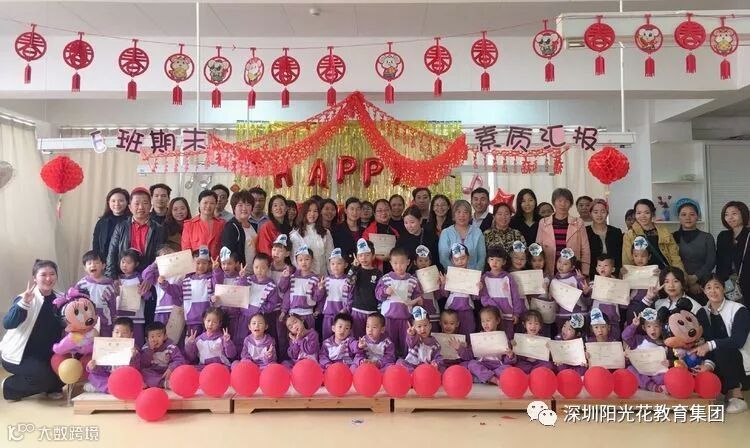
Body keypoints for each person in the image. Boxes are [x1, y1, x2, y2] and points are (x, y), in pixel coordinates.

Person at [1, 260, 64, 401]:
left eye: (52, 274)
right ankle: (10, 386)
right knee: (43, 376)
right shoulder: (25, 298)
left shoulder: (61, 299)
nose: (48, 278)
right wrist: (24, 304)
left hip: (46, 355)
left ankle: (50, 386)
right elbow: (8, 323)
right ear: (35, 278)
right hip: (20, 355)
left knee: (64, 370)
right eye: (43, 275)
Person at [693, 275, 750, 414]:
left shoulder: (739, 309)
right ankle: (719, 393)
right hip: (716, 361)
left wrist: (710, 345)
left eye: (717, 287)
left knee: (723, 349)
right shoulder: (702, 312)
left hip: (740, 364)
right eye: (708, 287)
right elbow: (705, 341)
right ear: (704, 291)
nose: (713, 291)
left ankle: (737, 396)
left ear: (724, 289)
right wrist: (708, 364)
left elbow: (738, 341)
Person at [106, 187, 166, 279]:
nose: (141, 207)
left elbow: (160, 256)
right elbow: (112, 253)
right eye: (136, 203)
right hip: (123, 276)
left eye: (145, 203)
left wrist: (151, 277)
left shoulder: (159, 229)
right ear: (130, 207)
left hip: (148, 276)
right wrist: (112, 277)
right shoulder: (121, 227)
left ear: (151, 206)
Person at [375, 247, 423, 356]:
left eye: (402, 263)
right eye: (395, 263)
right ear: (391, 263)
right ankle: (389, 359)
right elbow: (377, 295)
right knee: (389, 340)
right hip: (388, 317)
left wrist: (419, 301)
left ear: (408, 262)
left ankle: (405, 360)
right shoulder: (386, 278)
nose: (399, 266)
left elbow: (417, 295)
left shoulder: (413, 280)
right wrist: (385, 291)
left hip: (405, 317)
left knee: (406, 341)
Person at [535, 188, 590, 277]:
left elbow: (585, 249)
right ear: (554, 202)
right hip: (548, 271)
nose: (563, 204)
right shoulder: (543, 222)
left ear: (570, 204)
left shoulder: (578, 223)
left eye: (566, 201)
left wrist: (585, 272)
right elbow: (538, 249)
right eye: (559, 201)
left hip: (572, 272)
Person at [622, 199, 684, 271]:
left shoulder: (664, 232)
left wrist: (680, 274)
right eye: (639, 213)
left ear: (652, 214)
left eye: (647, 213)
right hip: (642, 274)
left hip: (664, 273)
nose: (642, 216)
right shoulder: (629, 235)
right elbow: (627, 261)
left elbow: (675, 257)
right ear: (635, 215)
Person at [84, 317, 141, 393]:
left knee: (135, 378)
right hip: (108, 376)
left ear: (131, 334)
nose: (120, 335)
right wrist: (93, 367)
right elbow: (101, 370)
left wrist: (133, 358)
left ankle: (107, 388)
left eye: (124, 333)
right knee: (93, 376)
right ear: (112, 333)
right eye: (117, 332)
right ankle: (111, 388)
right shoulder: (105, 346)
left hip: (123, 377)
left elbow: (135, 369)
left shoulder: (134, 350)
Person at [673, 200, 715, 299]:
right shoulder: (673, 237)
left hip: (702, 284)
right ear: (679, 217)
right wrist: (687, 281)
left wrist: (695, 277)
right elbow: (672, 261)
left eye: (692, 214)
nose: (688, 218)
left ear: (697, 216)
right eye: (683, 214)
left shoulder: (707, 237)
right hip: (678, 284)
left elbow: (711, 261)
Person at [480, 246, 524, 340]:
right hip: (491, 317)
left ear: (504, 262)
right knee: (492, 338)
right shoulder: (484, 278)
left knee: (507, 338)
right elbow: (483, 297)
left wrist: (516, 313)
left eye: (498, 260)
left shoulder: (508, 277)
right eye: (492, 259)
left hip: (507, 315)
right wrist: (495, 308)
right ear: (488, 261)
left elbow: (515, 296)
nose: (494, 262)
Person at [622, 308, 668, 393]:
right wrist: (634, 325)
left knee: (665, 376)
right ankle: (651, 386)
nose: (653, 329)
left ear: (661, 327)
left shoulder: (665, 344)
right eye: (649, 326)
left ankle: (650, 384)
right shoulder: (639, 339)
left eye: (656, 326)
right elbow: (625, 336)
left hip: (656, 372)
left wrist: (668, 363)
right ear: (644, 328)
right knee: (630, 369)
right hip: (641, 371)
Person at [716, 201, 750, 303]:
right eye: (726, 214)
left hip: (746, 280)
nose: (730, 217)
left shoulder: (748, 235)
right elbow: (719, 261)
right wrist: (720, 282)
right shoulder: (723, 236)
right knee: (730, 309)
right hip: (727, 282)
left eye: (734, 214)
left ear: (743, 214)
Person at [280, 246, 321, 330]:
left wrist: (318, 309)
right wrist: (283, 311)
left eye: (307, 259)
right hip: (292, 314)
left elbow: (319, 298)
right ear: (297, 262)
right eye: (300, 260)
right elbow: (285, 292)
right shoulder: (292, 277)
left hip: (308, 314)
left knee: (309, 335)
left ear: (312, 260)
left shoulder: (316, 279)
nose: (304, 262)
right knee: (293, 336)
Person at [348, 239, 383, 338]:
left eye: (367, 255)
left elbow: (380, 293)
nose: (363, 258)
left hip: (372, 311)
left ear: (373, 256)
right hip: (357, 310)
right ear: (356, 256)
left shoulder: (378, 273)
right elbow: (349, 281)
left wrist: (379, 311)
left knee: (372, 337)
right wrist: (354, 267)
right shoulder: (356, 271)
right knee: (357, 337)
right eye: (360, 255)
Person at [77, 250, 116, 337]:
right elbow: (75, 301)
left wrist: (114, 318)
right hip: (86, 320)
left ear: (103, 265)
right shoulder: (81, 284)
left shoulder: (109, 285)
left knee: (104, 341)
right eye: (89, 263)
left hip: (104, 321)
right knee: (88, 341)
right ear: (85, 268)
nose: (93, 265)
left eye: (96, 263)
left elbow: (112, 304)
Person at [438, 199, 486, 271]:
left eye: (465, 212)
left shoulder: (477, 232)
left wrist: (475, 273)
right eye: (458, 212)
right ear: (454, 215)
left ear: (470, 215)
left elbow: (482, 258)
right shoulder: (446, 233)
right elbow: (443, 258)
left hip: (473, 274)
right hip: (452, 275)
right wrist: (456, 273)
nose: (462, 215)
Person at [290, 200, 334, 276]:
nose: (312, 214)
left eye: (315, 211)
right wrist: (308, 276)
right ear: (304, 212)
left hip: (323, 277)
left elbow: (330, 256)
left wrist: (333, 276)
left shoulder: (326, 233)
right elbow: (295, 260)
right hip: (305, 277)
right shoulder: (296, 235)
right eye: (309, 211)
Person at [317, 249, 351, 340]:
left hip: (342, 316)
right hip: (328, 315)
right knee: (326, 338)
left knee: (342, 339)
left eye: (339, 263)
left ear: (345, 265)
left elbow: (351, 298)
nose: (335, 266)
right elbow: (321, 298)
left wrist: (346, 309)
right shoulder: (326, 280)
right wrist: (320, 289)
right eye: (332, 264)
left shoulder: (348, 281)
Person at [396, 306, 443, 373]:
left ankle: (420, 374)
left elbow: (438, 357)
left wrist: (435, 363)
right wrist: (411, 335)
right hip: (411, 365)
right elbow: (410, 342)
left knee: (440, 368)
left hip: (425, 368)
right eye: (419, 326)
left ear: (430, 326)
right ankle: (413, 374)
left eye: (425, 325)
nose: (423, 329)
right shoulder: (415, 339)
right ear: (414, 328)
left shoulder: (435, 344)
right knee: (399, 362)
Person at [181, 190, 226, 259]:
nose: (208, 206)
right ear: (199, 203)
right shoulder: (189, 225)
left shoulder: (222, 224)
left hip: (216, 264)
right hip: (197, 264)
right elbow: (186, 250)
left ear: (216, 205)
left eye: (212, 203)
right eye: (205, 203)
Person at [140, 321, 185, 388]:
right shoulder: (146, 348)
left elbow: (180, 359)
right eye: (152, 337)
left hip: (167, 371)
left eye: (159, 336)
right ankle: (163, 383)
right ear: (147, 339)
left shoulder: (171, 346)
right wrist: (150, 350)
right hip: (153, 372)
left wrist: (171, 368)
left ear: (165, 337)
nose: (155, 339)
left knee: (181, 371)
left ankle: (152, 383)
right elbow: (144, 364)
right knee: (143, 372)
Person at [586, 198, 623, 279]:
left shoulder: (616, 232)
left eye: (603, 212)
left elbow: (620, 255)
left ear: (607, 213)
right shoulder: (585, 232)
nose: (599, 215)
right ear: (590, 213)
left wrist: (620, 271)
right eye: (595, 212)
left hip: (614, 275)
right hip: (592, 275)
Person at [92, 188, 131, 262]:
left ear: (127, 202)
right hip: (105, 262)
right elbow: (96, 245)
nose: (117, 204)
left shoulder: (131, 221)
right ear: (108, 202)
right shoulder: (102, 222)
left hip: (126, 262)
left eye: (121, 201)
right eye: (113, 201)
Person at [220, 190, 257, 267]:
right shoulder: (231, 227)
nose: (244, 208)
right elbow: (228, 254)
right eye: (240, 205)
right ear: (234, 208)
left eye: (248, 205)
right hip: (240, 272)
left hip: (254, 271)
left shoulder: (254, 226)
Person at [362, 199, 400, 273]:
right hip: (374, 271)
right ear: (374, 214)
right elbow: (363, 252)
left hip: (393, 271)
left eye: (386, 210)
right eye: (379, 210)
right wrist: (375, 256)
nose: (383, 213)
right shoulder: (368, 231)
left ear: (390, 212)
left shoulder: (395, 232)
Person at [396, 206, 439, 271]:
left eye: (412, 222)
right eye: (406, 223)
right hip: (408, 275)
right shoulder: (402, 239)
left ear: (420, 220)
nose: (409, 226)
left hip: (427, 274)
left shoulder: (431, 237)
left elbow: (436, 259)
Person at [332, 197, 362, 264]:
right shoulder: (336, 230)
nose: (355, 212)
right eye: (352, 209)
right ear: (345, 210)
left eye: (358, 209)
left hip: (361, 266)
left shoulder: (364, 230)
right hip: (343, 266)